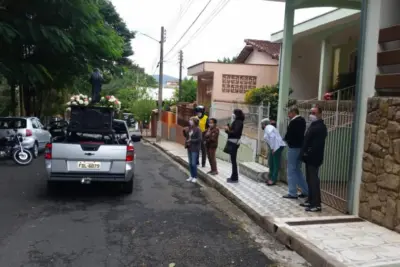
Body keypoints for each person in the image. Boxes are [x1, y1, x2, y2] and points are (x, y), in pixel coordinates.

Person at [300, 106, 327, 212]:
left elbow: (316, 144)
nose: (311, 115)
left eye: (314, 113)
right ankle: (311, 200)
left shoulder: (320, 127)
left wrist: (308, 153)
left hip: (314, 158)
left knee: (313, 180)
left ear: (320, 114)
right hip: (309, 158)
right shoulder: (314, 125)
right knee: (310, 180)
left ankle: (316, 204)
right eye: (311, 112)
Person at [282, 107, 308, 199]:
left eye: (289, 114)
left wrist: (284, 139)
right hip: (300, 148)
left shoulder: (294, 122)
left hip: (293, 148)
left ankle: (292, 192)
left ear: (293, 112)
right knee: (298, 170)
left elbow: (289, 135)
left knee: (291, 170)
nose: (288, 116)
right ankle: (306, 191)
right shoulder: (303, 120)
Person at [261, 118, 286, 186]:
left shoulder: (268, 127)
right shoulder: (269, 128)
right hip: (274, 147)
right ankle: (270, 177)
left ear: (264, 124)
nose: (261, 126)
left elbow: (272, 137)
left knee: (275, 163)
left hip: (276, 147)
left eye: (262, 124)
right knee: (271, 162)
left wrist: (272, 149)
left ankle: (273, 179)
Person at [225, 109, 244, 183]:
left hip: (234, 142)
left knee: (233, 161)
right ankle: (233, 176)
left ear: (237, 114)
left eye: (234, 113)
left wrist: (228, 130)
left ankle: (235, 177)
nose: (233, 114)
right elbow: (233, 131)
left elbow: (235, 133)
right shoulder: (236, 121)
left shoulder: (239, 122)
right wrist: (229, 128)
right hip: (233, 141)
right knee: (232, 160)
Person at [183, 116, 202, 183]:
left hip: (195, 148)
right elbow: (187, 136)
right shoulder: (190, 128)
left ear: (195, 122)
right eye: (190, 120)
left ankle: (195, 177)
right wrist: (184, 131)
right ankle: (191, 176)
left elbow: (200, 139)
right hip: (189, 147)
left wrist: (191, 140)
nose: (190, 121)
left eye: (191, 120)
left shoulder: (198, 129)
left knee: (194, 163)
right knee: (190, 163)